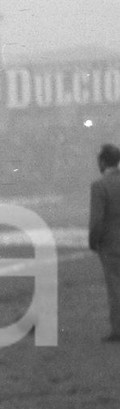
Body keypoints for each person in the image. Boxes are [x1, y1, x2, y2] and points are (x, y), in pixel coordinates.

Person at [89, 142, 120, 341]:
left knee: (115, 288)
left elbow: (97, 221)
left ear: (102, 162)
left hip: (111, 245)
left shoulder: (99, 186)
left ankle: (118, 329)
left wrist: (93, 241)